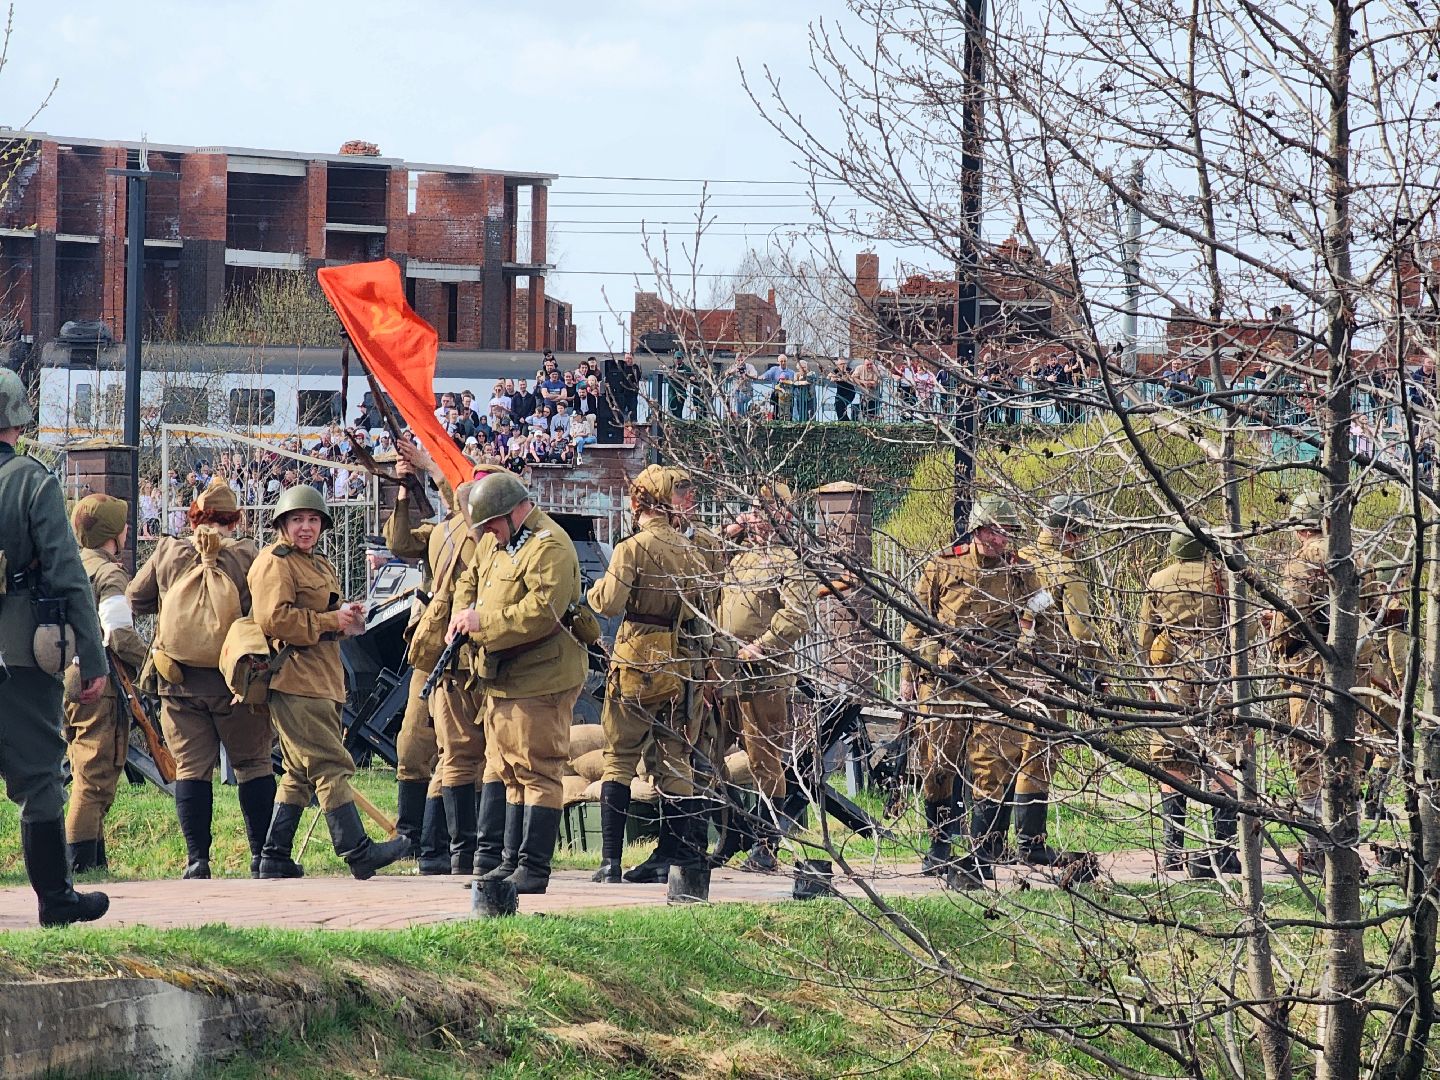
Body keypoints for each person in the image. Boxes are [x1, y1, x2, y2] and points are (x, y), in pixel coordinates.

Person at [250, 485, 410, 880]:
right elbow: (275, 619)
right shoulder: (276, 562)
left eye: (313, 520)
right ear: (283, 524)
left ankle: (274, 856)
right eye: (297, 520)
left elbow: (321, 614)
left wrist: (345, 618)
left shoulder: (316, 562)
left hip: (320, 677)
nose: (306, 527)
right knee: (330, 764)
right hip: (296, 680)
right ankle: (358, 852)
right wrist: (328, 622)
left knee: (298, 772)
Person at [0, 370, 110, 925]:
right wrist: (92, 659)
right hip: (19, 652)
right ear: (18, 420)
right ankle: (56, 901)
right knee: (39, 776)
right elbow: (69, 575)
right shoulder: (31, 481)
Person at [446, 472, 587, 894]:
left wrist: (481, 622)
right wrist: (462, 615)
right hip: (505, 676)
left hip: (541, 675)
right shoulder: (502, 540)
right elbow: (473, 582)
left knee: (538, 770)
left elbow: (541, 612)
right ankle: (510, 861)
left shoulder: (550, 546)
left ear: (513, 513)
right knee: (508, 770)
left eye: (491, 524)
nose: (486, 534)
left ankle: (534, 868)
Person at [127, 480, 274, 879]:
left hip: (178, 682)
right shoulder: (248, 556)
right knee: (253, 764)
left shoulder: (169, 552)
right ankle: (262, 857)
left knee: (192, 769)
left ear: (194, 517)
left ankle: (198, 861)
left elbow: (134, 600)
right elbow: (267, 612)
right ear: (234, 519)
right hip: (236, 684)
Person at [899, 495, 1046, 886]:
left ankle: (980, 854)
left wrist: (1029, 650)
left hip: (996, 681)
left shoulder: (1022, 572)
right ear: (979, 530)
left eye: (1009, 534)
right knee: (937, 763)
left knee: (992, 764)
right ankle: (938, 845)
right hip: (945, 681)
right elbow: (917, 621)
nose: (1003, 540)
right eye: (998, 532)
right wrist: (910, 673)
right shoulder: (943, 565)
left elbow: (1041, 614)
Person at [586, 465, 707, 884]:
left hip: (635, 660)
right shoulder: (691, 552)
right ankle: (676, 858)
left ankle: (610, 862)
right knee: (676, 761)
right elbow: (701, 609)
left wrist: (591, 590)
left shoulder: (631, 548)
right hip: (678, 663)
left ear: (637, 503)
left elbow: (608, 602)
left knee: (618, 758)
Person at [381, 444, 470, 875]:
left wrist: (431, 466)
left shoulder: (478, 531)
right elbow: (399, 541)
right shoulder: (441, 532)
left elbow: (465, 499)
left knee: (456, 750)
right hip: (430, 648)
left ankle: (450, 841)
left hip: (469, 653)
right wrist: (403, 485)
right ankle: (410, 837)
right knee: (412, 743)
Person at [715, 480, 812, 871]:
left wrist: (762, 646)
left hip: (764, 675)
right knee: (707, 754)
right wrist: (728, 533)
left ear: (783, 516)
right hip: (725, 674)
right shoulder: (739, 558)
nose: (756, 519)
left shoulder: (790, 561)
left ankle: (766, 845)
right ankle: (731, 833)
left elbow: (797, 615)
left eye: (764, 512)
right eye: (753, 511)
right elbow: (705, 565)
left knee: (763, 759)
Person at [1139, 526, 1238, 877]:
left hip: (1172, 671)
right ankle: (1224, 849)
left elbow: (1144, 633)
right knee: (1222, 754)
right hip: (1216, 671)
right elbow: (1245, 628)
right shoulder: (1223, 578)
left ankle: (1172, 850)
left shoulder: (1158, 579)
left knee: (1171, 756)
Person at [1012, 495, 1102, 866]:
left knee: (999, 756)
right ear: (1070, 532)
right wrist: (1098, 670)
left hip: (1001, 672)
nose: (1081, 541)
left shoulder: (1016, 558)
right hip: (1046, 675)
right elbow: (1080, 631)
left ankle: (987, 843)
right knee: (1038, 757)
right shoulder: (1065, 570)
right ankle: (1030, 845)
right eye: (1080, 534)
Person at [64, 494, 149, 871]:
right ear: (114, 534)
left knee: (85, 767)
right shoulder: (109, 573)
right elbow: (118, 634)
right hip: (97, 680)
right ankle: (79, 865)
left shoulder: (67, 566)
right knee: (95, 773)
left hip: (63, 677)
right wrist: (154, 665)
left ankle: (95, 863)